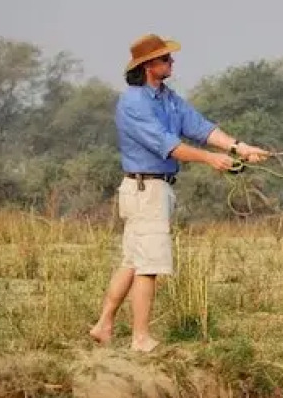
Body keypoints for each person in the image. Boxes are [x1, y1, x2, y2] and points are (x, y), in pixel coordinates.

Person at [89, 33, 272, 352]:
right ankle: (140, 338)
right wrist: (211, 159)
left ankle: (104, 325)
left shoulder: (168, 98)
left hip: (154, 189)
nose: (171, 62)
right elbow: (168, 145)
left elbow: (201, 127)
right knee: (149, 266)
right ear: (148, 66)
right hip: (146, 189)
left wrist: (238, 147)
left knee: (132, 261)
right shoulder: (133, 103)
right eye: (165, 59)